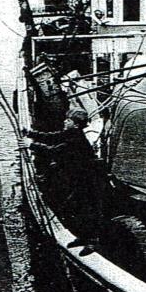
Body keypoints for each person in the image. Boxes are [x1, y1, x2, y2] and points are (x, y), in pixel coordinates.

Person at [26, 108, 101, 256]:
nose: (65, 121)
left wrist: (31, 145)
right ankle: (83, 237)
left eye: (68, 120)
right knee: (77, 208)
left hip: (88, 180)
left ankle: (93, 241)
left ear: (76, 125)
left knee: (87, 209)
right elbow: (53, 137)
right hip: (78, 177)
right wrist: (31, 134)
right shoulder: (70, 133)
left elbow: (54, 150)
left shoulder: (76, 139)